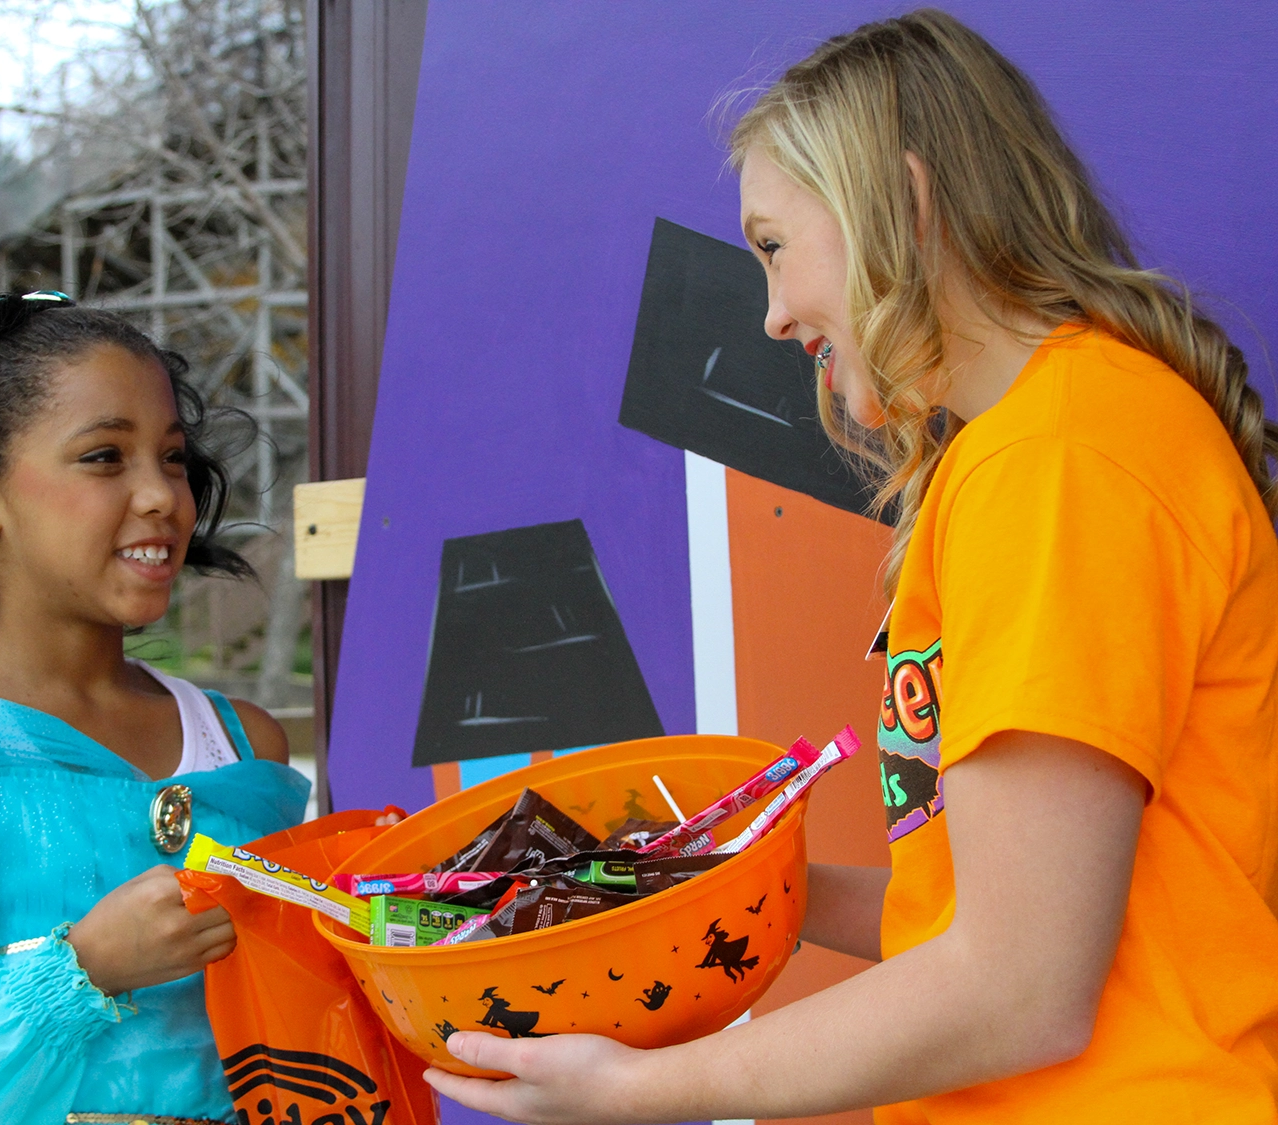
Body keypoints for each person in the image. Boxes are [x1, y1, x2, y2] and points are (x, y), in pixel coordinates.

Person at [424, 9, 1278, 1123]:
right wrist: (693, 891)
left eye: (774, 248)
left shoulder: (1060, 462)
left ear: (905, 206)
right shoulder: (1051, 444)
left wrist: (643, 1091)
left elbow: (1020, 989)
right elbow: (977, 920)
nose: (773, 317)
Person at [0, 291, 311, 1125]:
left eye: (174, 457)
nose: (162, 496)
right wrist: (80, 970)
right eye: (105, 457)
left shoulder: (244, 744)